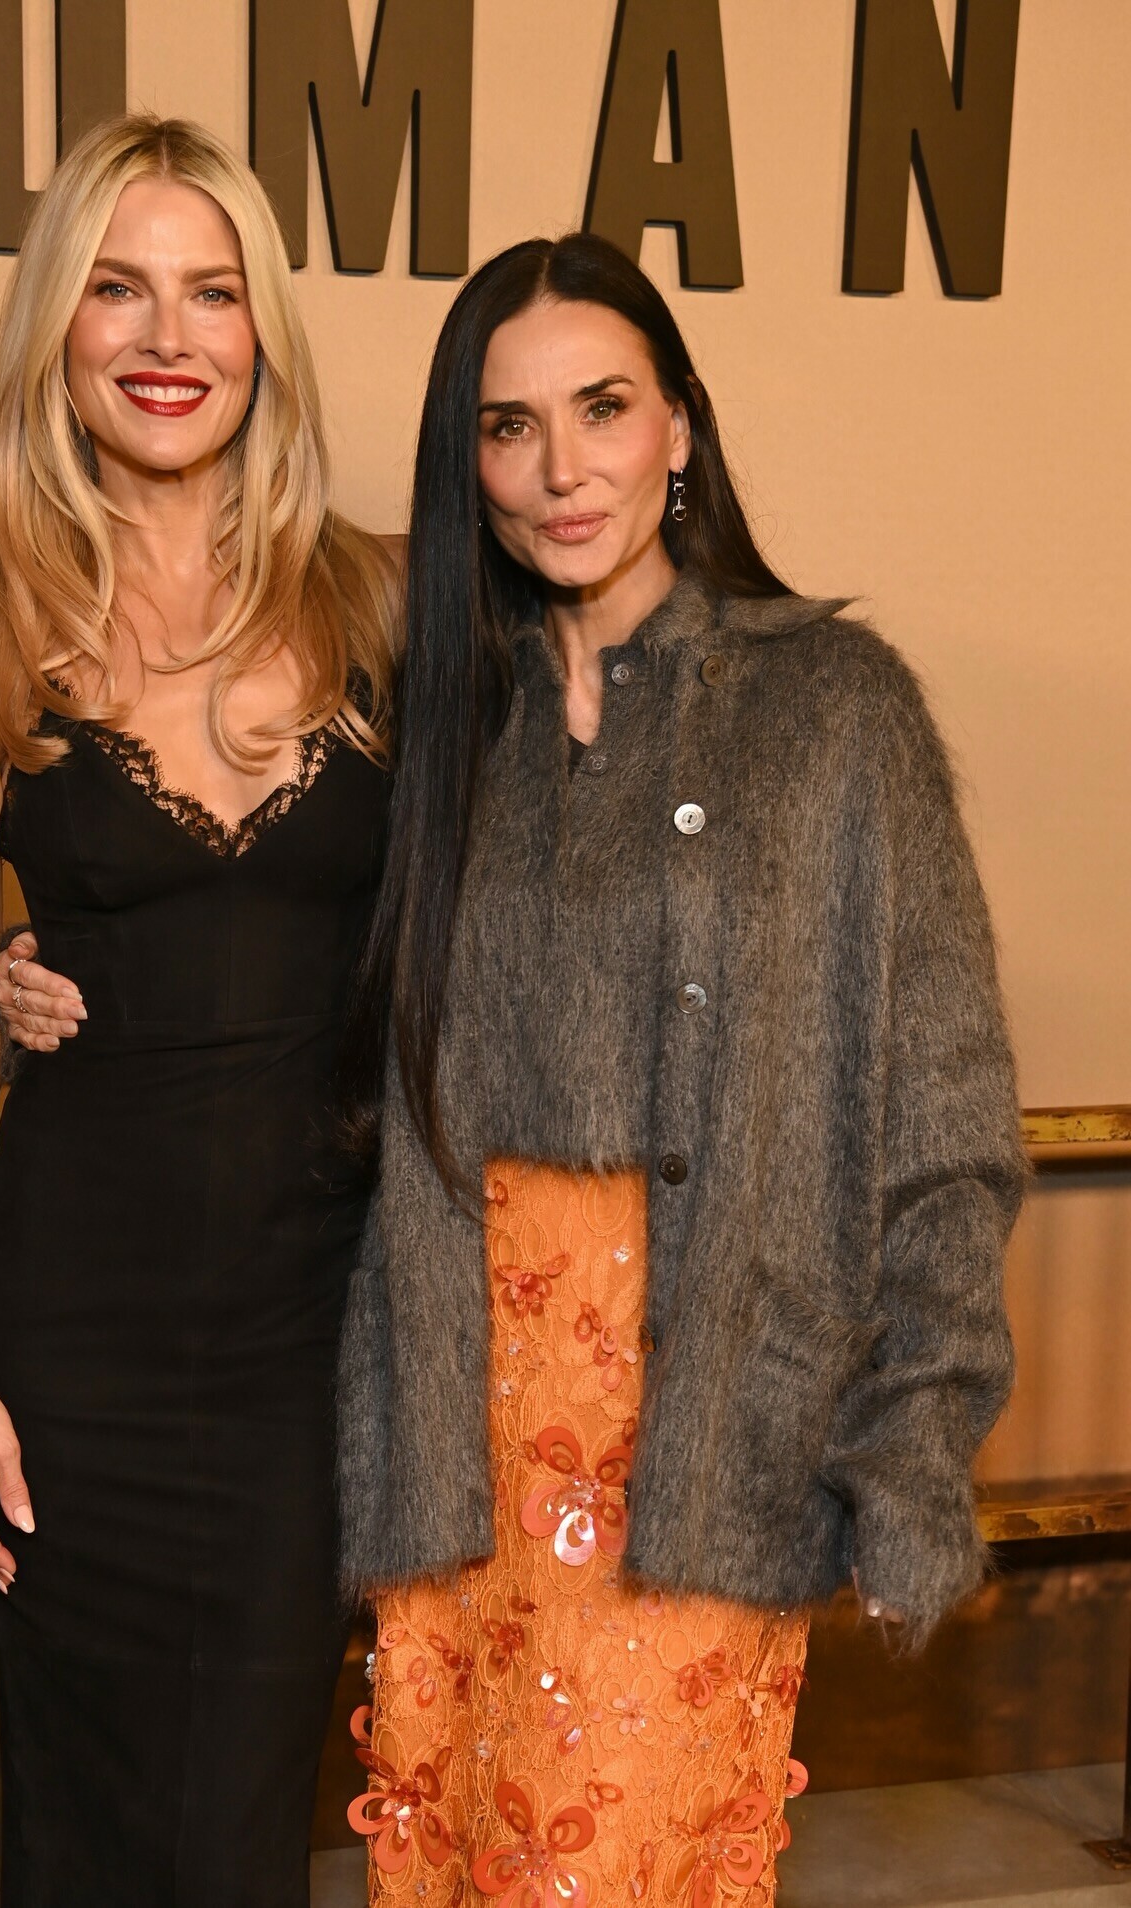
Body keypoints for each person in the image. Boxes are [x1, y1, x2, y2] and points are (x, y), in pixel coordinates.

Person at [327, 234, 1028, 1904]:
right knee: (465, 1862)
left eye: (604, 408)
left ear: (681, 427)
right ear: (467, 465)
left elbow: (946, 1108)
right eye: (508, 428)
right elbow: (281, 969)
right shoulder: (437, 716)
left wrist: (915, 1445)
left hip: (708, 1422)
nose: (561, 470)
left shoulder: (836, 711)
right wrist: (42, 969)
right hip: (460, 1420)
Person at [0, 115, 395, 1906]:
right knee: (89, 1815)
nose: (168, 337)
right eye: (118, 289)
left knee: (243, 1817)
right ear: (59, 329)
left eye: (212, 292)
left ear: (263, 337)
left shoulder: (385, 607)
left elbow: (504, 918)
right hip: (77, 1324)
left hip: (316, 1322)